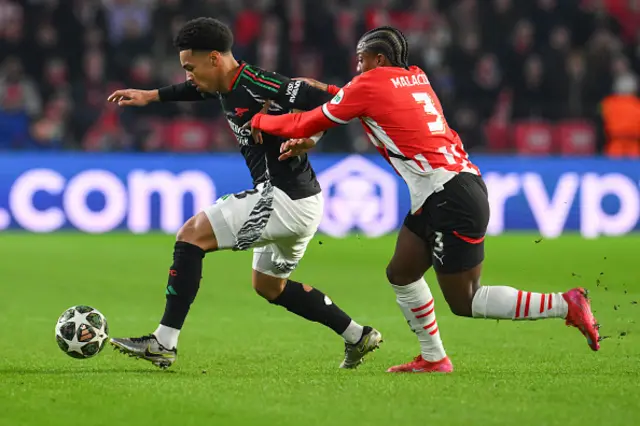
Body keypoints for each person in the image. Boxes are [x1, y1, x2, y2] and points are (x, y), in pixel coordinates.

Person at [248, 26, 601, 374]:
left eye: (362, 59)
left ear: (380, 58)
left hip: (450, 195)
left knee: (466, 300)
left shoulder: (370, 84)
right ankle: (434, 358)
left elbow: (307, 120)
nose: (357, 68)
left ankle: (564, 304)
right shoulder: (416, 77)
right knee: (401, 272)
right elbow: (359, 105)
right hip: (445, 190)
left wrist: (260, 120)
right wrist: (315, 128)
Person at [106, 17, 382, 369]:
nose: (188, 75)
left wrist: (311, 136)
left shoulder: (258, 84)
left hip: (283, 197)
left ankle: (163, 342)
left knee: (191, 236)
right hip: (305, 200)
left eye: (191, 67)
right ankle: (357, 335)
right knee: (270, 287)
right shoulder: (223, 82)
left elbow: (337, 101)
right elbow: (199, 90)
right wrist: (151, 96)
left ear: (215, 59)